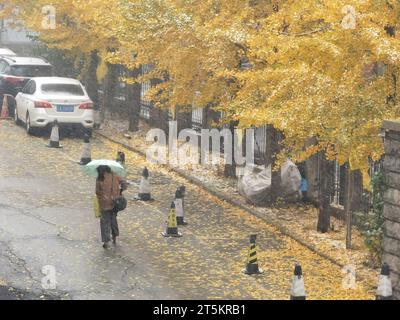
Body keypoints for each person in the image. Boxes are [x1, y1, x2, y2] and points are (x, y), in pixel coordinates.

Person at [95, 165, 128, 249]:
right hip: (115, 203)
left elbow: (97, 192)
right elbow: (124, 184)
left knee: (105, 222)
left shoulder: (100, 178)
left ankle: (106, 241)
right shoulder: (115, 175)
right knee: (113, 219)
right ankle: (114, 236)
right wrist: (120, 191)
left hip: (104, 204)